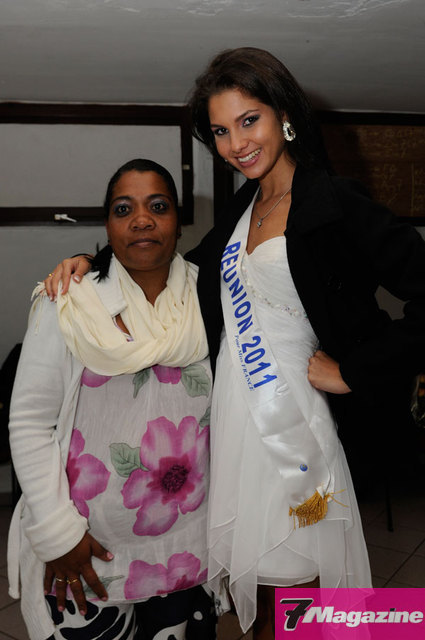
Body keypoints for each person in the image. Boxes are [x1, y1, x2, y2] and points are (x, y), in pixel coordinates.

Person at [43, 47, 425, 638]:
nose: (236, 144)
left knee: (297, 592)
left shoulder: (335, 202)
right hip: (234, 421)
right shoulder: (244, 206)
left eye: (249, 121)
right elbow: (177, 268)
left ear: (284, 115)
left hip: (294, 425)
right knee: (264, 595)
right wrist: (91, 261)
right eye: (221, 131)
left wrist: (356, 370)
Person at [8, 159, 216, 640]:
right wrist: (58, 535)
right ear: (107, 225)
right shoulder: (68, 301)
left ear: (178, 221)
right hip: (85, 550)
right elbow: (30, 422)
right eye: (124, 209)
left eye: (158, 207)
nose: (142, 220)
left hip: (189, 546)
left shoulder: (210, 298)